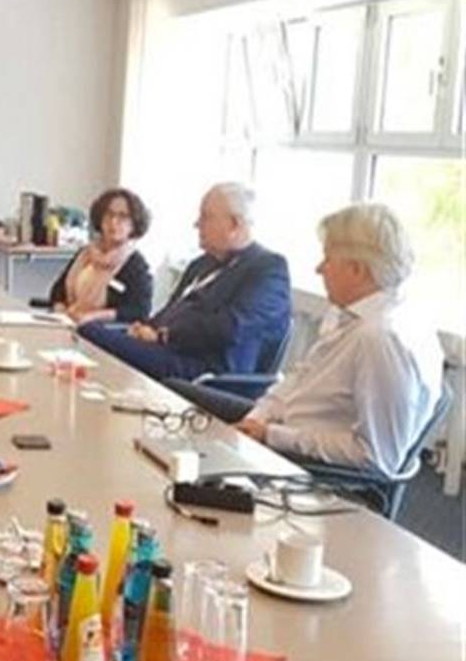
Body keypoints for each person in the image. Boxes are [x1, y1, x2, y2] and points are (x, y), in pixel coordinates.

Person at [168, 204, 444, 475]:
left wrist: (271, 435)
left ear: (358, 270)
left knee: (178, 428)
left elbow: (375, 456)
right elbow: (298, 379)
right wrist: (257, 418)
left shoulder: (380, 339)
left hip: (302, 461)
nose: (319, 269)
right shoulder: (351, 314)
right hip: (280, 424)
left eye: (328, 259)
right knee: (174, 391)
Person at [79, 182, 291, 381]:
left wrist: (164, 335)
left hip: (206, 369)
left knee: (90, 333)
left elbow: (231, 327)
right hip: (167, 350)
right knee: (90, 330)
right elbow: (171, 309)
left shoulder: (268, 268)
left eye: (206, 217)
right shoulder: (201, 264)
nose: (196, 224)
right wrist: (145, 328)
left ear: (234, 224)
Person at [48, 187, 153, 324]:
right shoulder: (85, 254)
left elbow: (139, 311)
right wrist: (60, 310)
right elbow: (57, 291)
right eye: (109, 214)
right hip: (67, 323)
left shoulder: (136, 265)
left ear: (134, 224)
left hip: (103, 331)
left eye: (122, 216)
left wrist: (94, 316)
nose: (113, 222)